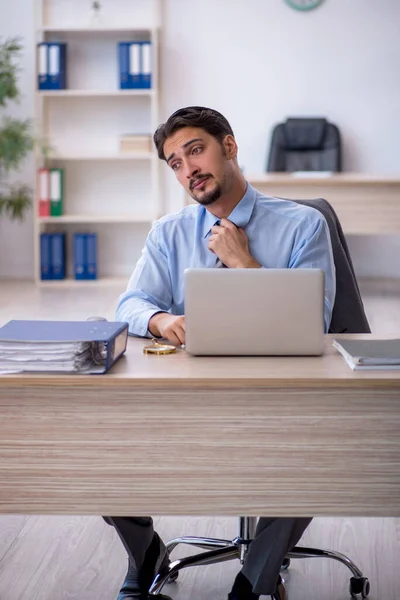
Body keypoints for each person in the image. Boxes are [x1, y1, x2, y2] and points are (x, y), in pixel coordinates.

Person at [106, 106, 336, 600]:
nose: (187, 169)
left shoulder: (304, 226)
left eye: (195, 150)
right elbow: (129, 304)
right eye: (174, 162)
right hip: (186, 397)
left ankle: (253, 580)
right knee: (92, 436)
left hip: (280, 399)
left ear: (228, 147)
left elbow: (314, 321)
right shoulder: (169, 232)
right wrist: (161, 320)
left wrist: (245, 264)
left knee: (317, 450)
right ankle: (146, 551)